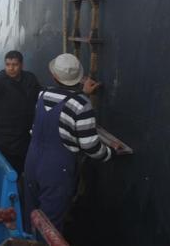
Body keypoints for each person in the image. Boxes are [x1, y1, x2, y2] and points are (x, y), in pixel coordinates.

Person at [24, 53, 113, 234]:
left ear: (54, 76)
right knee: (50, 225)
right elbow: (90, 146)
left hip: (32, 161)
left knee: (31, 214)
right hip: (57, 169)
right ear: (79, 78)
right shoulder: (82, 104)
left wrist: (82, 94)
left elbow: (60, 106)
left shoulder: (43, 94)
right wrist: (109, 153)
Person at [0, 50, 41, 175]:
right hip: (1, 138)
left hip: (21, 137)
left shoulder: (30, 80)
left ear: (21, 65)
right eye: (8, 65)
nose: (11, 68)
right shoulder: (1, 79)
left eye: (14, 65)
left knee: (20, 169)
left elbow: (41, 93)